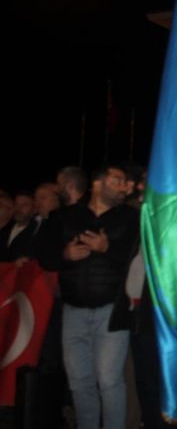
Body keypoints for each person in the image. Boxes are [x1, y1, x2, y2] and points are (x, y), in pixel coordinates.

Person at [36, 164, 139, 429]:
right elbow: (45, 256)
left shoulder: (130, 217)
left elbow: (135, 259)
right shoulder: (64, 217)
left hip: (112, 311)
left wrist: (108, 248)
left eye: (125, 181)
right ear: (97, 183)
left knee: (108, 380)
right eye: (117, 180)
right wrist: (65, 255)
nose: (123, 186)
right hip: (73, 311)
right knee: (80, 381)